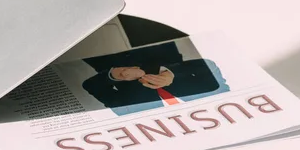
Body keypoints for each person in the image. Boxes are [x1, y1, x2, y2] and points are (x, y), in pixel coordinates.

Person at [82, 43, 229, 115]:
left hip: (104, 52)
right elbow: (209, 66)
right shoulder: (218, 100)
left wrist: (115, 74)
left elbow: (91, 85)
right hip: (156, 44)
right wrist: (170, 73)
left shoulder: (133, 116)